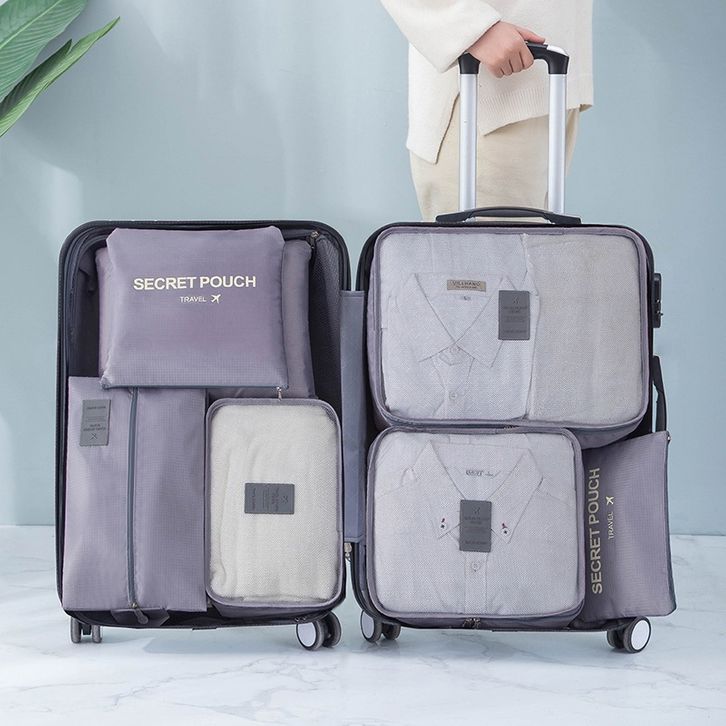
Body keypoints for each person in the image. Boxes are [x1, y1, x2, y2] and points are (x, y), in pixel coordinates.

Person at [380, 1, 593, 220]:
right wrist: (472, 25)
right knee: (487, 241)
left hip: (553, 90)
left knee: (536, 240)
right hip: (482, 101)